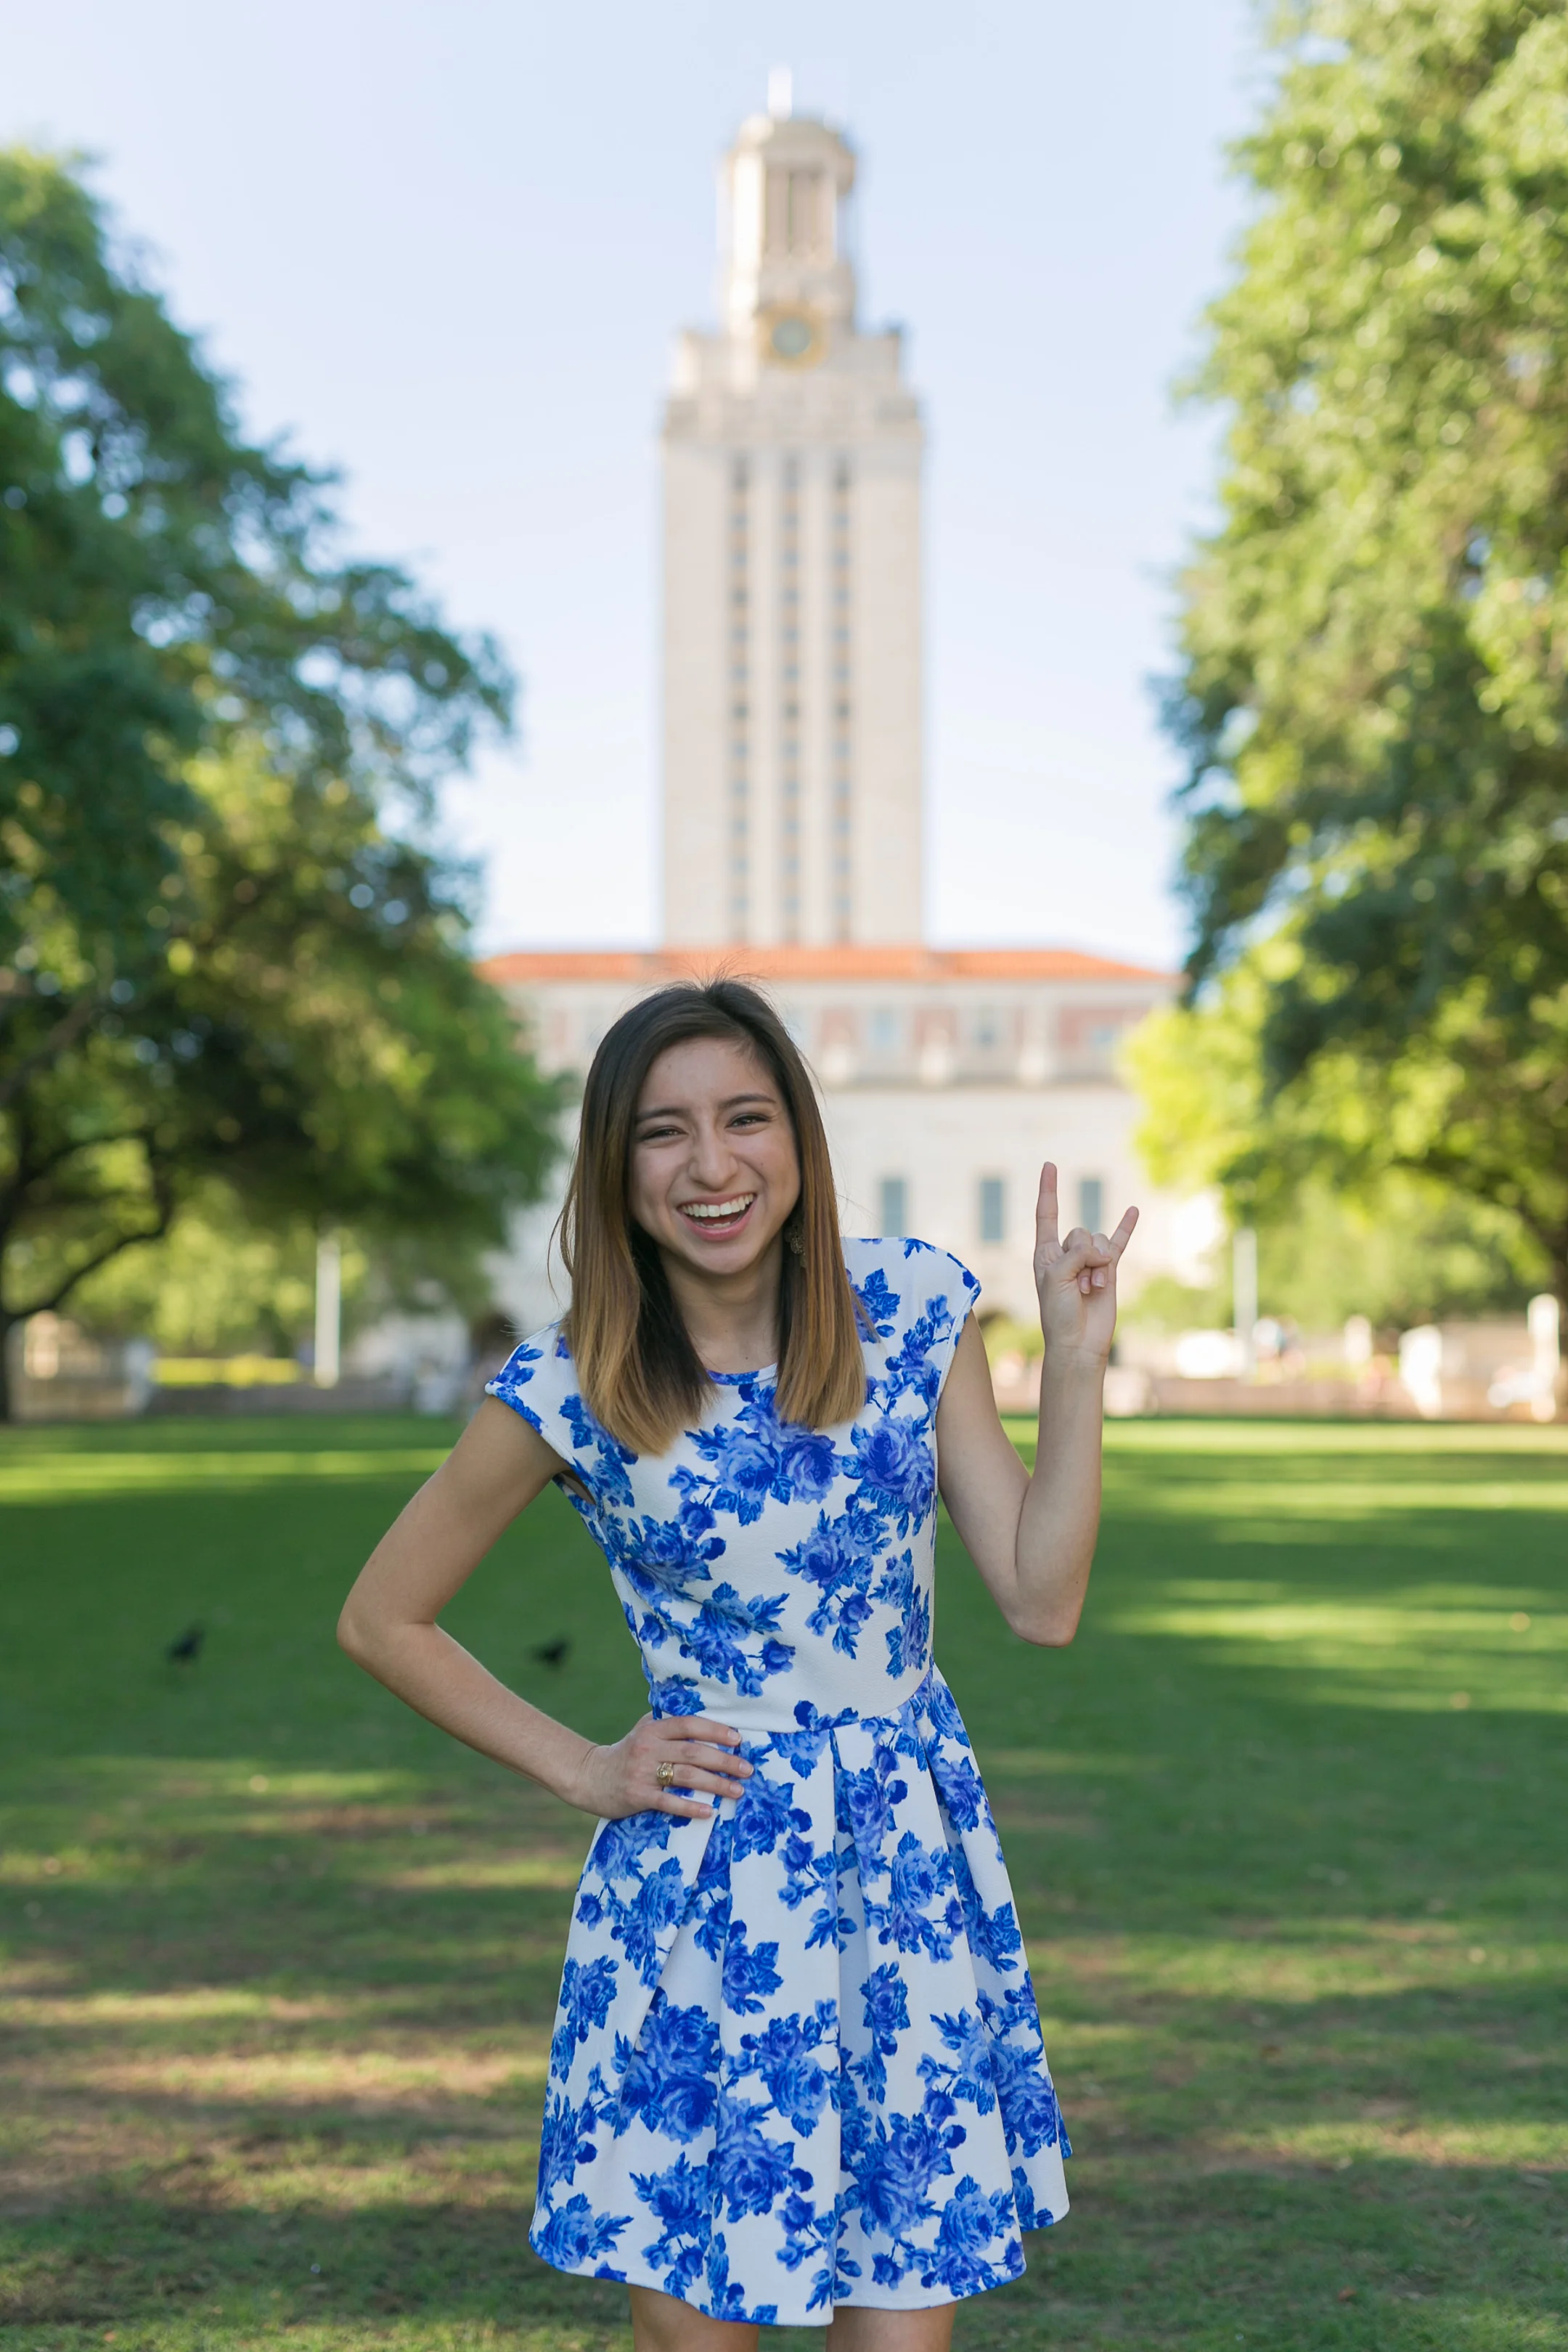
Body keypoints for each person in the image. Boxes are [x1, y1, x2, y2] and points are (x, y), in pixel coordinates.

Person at [338, 979, 1135, 2351]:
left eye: (746, 1119)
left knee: (900, 2327)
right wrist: (584, 1767)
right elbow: (382, 1617)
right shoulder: (574, 1381)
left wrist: (1075, 1363)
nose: (712, 1166)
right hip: (703, 1888)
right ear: (617, 1165)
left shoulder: (911, 1306)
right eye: (665, 1132)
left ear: (799, 1139)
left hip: (898, 1875)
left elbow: (1042, 1599)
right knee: (694, 2331)